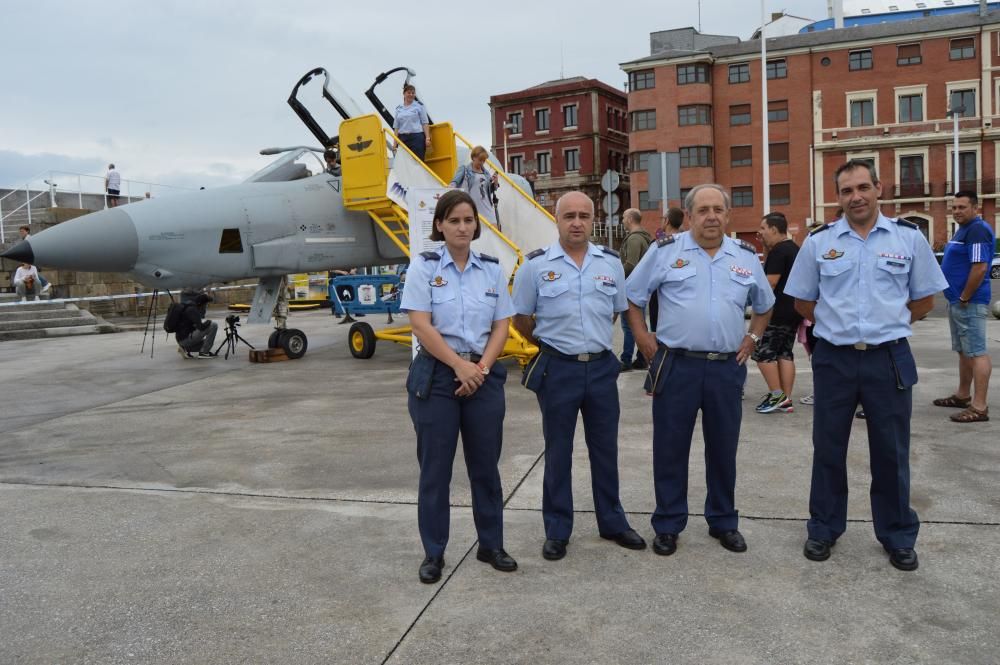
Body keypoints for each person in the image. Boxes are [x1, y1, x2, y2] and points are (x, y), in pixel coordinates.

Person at [784, 159, 948, 572]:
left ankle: (897, 534)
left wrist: (886, 325)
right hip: (834, 358)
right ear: (837, 197)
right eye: (846, 190)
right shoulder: (820, 242)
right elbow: (803, 300)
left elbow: (925, 298)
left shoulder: (908, 239)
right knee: (828, 448)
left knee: (891, 451)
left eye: (862, 187)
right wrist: (837, 326)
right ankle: (823, 528)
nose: (855, 196)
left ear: (878, 189)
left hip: (888, 357)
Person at [625, 184, 774, 557]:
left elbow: (765, 304)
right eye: (702, 210)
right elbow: (632, 297)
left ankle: (723, 521)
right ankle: (668, 524)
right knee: (670, 449)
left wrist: (753, 337)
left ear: (728, 215)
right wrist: (643, 337)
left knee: (723, 449)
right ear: (689, 216)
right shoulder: (665, 252)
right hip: (677, 366)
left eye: (717, 210)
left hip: (726, 368)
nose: (711, 216)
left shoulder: (745, 257)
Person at [512, 191, 646, 561]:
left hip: (602, 368)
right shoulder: (535, 266)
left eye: (583, 216)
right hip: (558, 369)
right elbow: (520, 317)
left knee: (605, 449)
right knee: (559, 451)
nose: (576, 222)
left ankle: (613, 522)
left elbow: (616, 312)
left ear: (593, 220)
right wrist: (548, 345)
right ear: (556, 220)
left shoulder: (611, 264)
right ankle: (557, 529)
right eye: (568, 215)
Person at [400, 189, 517, 584]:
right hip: (436, 377)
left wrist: (479, 369)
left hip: (481, 378)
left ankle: (491, 544)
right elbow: (420, 324)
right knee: (435, 471)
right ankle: (434, 552)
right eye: (454, 220)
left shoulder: (491, 269)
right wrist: (459, 367)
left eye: (468, 220)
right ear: (439, 225)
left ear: (476, 224)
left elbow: (502, 325)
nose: (462, 227)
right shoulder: (423, 267)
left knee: (486, 467)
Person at [935, 190, 993, 423]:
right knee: (964, 351)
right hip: (958, 302)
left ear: (975, 208)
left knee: (977, 352)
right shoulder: (964, 230)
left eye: (962, 207)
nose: (957, 211)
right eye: (954, 207)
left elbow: (979, 267)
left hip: (969, 303)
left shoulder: (977, 230)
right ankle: (962, 395)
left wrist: (965, 297)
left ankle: (979, 407)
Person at [752, 212, 803, 414]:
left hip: (777, 311)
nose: (760, 233)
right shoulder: (793, 249)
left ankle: (776, 394)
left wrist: (756, 306)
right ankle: (785, 399)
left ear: (774, 229)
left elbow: (769, 283)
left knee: (763, 353)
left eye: (763, 229)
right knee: (784, 353)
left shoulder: (779, 251)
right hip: (793, 310)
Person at [618, 208, 652, 371]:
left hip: (631, 288)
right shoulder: (644, 238)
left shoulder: (634, 240)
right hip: (640, 287)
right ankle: (641, 358)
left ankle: (626, 359)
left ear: (631, 219)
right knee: (639, 323)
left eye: (624, 217)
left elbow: (630, 264)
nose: (622, 220)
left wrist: (616, 278)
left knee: (628, 325)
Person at [649, 206, 685, 334]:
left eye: (662, 218)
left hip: (659, 301)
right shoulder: (689, 244)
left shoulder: (658, 245)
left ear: (667, 221)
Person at [449, 145, 500, 226]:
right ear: (473, 157)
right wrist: (451, 188)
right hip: (472, 208)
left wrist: (495, 183)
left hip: (487, 208)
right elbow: (454, 182)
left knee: (494, 232)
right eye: (480, 160)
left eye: (484, 160)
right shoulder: (464, 169)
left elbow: (488, 191)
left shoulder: (486, 173)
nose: (482, 163)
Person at [392, 83, 431, 162]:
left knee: (418, 162)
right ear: (404, 94)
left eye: (413, 93)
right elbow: (396, 127)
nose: (411, 94)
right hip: (403, 139)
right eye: (409, 92)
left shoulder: (419, 106)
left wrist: (427, 138)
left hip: (416, 138)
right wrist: (394, 144)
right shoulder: (399, 108)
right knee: (405, 163)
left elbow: (425, 123)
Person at [174, 292, 218, 359]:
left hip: (181, 340)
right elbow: (201, 327)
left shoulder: (188, 306)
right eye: (205, 304)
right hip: (185, 339)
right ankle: (204, 353)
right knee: (213, 325)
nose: (206, 306)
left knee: (206, 343)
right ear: (201, 304)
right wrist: (208, 322)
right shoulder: (193, 310)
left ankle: (185, 348)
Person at [17, 226, 51, 294]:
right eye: (20, 231)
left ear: (27, 231)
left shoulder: (29, 239)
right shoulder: (26, 239)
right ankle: (44, 285)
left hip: (31, 258)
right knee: (33, 273)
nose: (21, 233)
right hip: (29, 259)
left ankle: (45, 283)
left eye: (23, 231)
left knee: (33, 273)